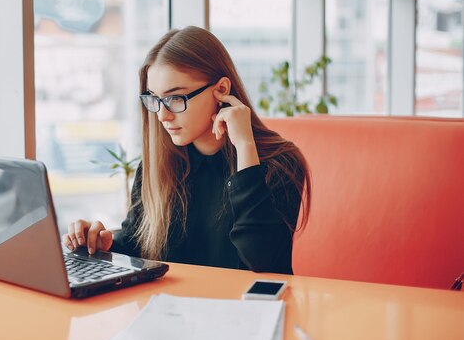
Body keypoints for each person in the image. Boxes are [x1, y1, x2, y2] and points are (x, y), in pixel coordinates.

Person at [62, 26, 311, 274]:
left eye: (174, 98)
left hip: (244, 310)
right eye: (154, 100)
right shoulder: (160, 164)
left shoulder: (279, 163)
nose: (162, 115)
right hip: (171, 309)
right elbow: (138, 245)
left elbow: (263, 262)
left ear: (221, 90)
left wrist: (245, 147)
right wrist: (103, 244)